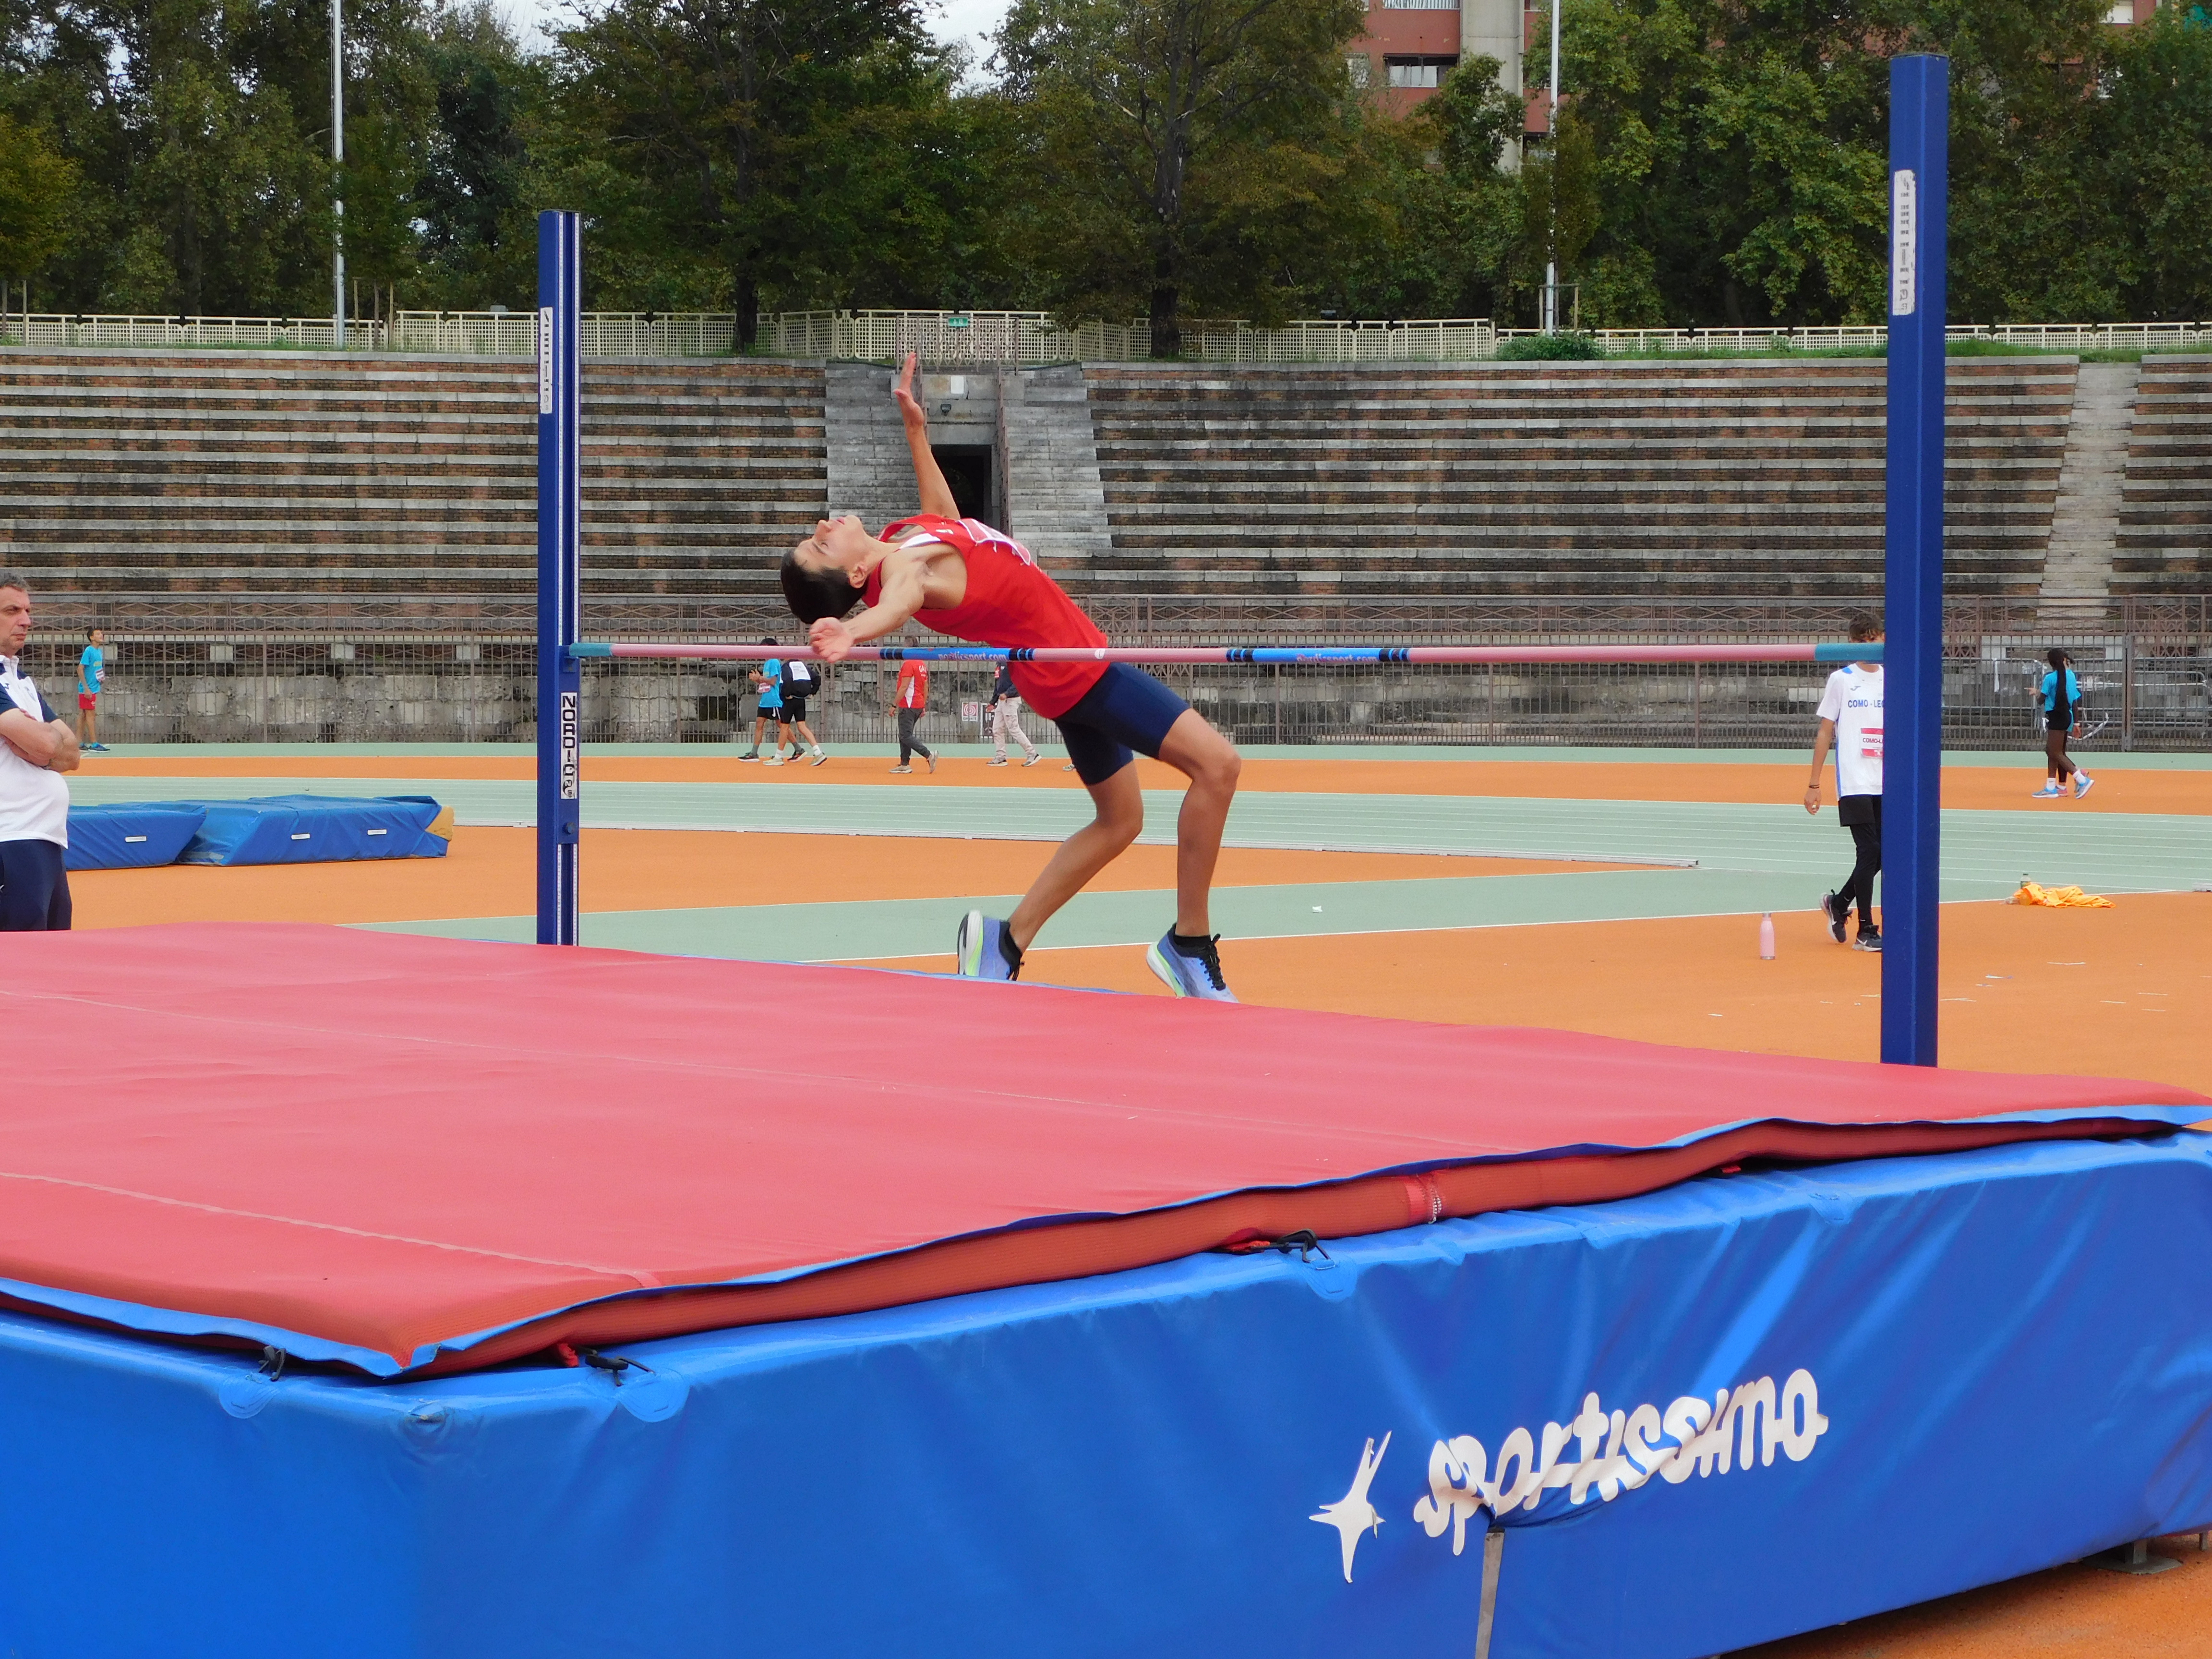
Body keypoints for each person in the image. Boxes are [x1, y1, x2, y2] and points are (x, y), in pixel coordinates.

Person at [781, 352, 1243, 1002]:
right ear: (856, 575)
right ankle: (1188, 944)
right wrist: (854, 632)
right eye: (822, 543)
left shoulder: (904, 539)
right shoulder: (902, 575)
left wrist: (916, 429)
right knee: (1218, 767)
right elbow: (901, 605)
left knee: (1120, 821)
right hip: (1076, 671)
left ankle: (1006, 942)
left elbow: (945, 516)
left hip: (1062, 670)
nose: (824, 525)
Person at [0, 574, 81, 930]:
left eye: (28, 611)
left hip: (45, 840)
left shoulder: (20, 681)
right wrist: (45, 745)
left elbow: (72, 755)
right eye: (12, 611)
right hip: (11, 839)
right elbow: (51, 744)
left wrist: (38, 748)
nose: (26, 621)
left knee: (52, 951)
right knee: (19, 952)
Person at [1804, 612, 1884, 953]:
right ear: (1852, 644)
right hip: (1855, 779)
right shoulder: (1842, 680)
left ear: (1883, 638)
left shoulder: (1893, 678)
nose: (1869, 645)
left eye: (1874, 639)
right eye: (1862, 641)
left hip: (1886, 779)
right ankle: (1866, 929)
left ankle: (1839, 904)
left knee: (1883, 854)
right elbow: (1826, 731)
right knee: (1869, 850)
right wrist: (1814, 783)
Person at [2033, 649, 2093, 800]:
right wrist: (2077, 723)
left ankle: (2081, 778)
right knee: (2053, 751)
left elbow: (2041, 700)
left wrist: (2036, 693)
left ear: (2051, 663)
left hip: (2056, 716)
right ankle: (2051, 787)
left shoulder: (2050, 678)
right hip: (2067, 716)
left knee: (2055, 752)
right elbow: (2075, 700)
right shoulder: (2071, 676)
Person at [985, 660, 1042, 767]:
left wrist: (1007, 694)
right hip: (1002, 701)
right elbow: (998, 686)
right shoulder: (999, 663)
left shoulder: (1013, 662)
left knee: (1014, 729)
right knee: (997, 729)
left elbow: (1019, 682)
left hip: (1010, 701)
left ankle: (1032, 753)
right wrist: (993, 702)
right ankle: (1001, 757)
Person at [778, 652, 829, 766]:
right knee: (802, 726)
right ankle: (818, 752)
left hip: (791, 699)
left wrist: (787, 694)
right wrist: (812, 692)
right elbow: (817, 678)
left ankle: (778, 756)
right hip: (801, 700)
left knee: (784, 727)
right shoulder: (803, 666)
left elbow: (788, 680)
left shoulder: (787, 666)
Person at [739, 638, 785, 761]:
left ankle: (798, 748)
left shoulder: (774, 661)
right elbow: (766, 682)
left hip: (774, 700)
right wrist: (757, 679)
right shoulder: (768, 663)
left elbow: (773, 682)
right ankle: (754, 753)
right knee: (759, 724)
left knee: (782, 725)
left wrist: (760, 678)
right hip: (765, 700)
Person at [890, 657, 936, 775]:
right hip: (917, 704)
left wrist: (894, 705)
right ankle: (905, 764)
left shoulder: (909, 664)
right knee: (905, 734)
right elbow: (925, 686)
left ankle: (928, 755)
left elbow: (904, 687)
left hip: (908, 705)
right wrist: (923, 704)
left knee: (905, 735)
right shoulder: (922, 664)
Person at [76, 626, 108, 752]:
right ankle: (94, 744)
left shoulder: (98, 652)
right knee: (90, 716)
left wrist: (101, 677)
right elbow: (80, 669)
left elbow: (97, 668)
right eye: (98, 634)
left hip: (94, 687)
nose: (101, 635)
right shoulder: (89, 651)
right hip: (88, 689)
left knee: (84, 715)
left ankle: (79, 742)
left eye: (101, 633)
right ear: (92, 637)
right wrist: (86, 688)